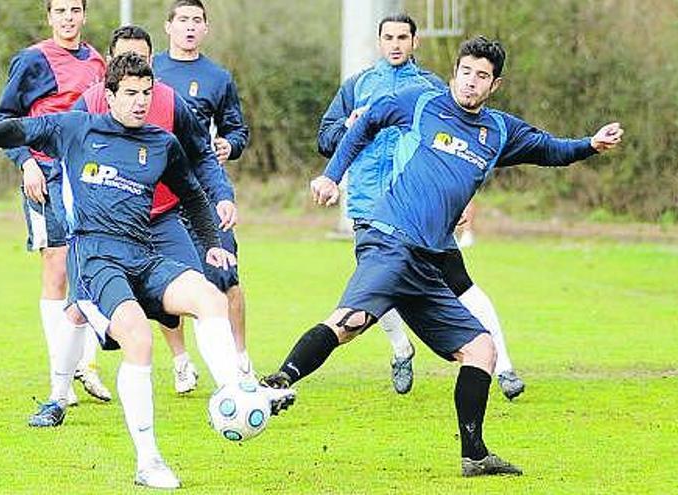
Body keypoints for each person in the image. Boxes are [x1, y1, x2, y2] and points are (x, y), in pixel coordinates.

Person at [0, 53, 295, 489]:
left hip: (142, 254)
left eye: (146, 93)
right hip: (94, 257)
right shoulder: (74, 128)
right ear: (108, 96)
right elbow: (9, 129)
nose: (141, 101)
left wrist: (213, 246)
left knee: (210, 297)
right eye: (131, 94)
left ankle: (234, 392)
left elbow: (194, 196)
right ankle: (148, 462)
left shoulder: (162, 143)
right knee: (138, 339)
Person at [264, 36, 623, 477]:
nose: (472, 83)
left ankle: (474, 455)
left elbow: (550, 149)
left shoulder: (500, 131)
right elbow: (368, 121)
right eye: (467, 72)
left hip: (428, 259)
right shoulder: (422, 102)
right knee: (352, 321)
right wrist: (331, 175)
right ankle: (277, 383)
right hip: (390, 237)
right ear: (455, 72)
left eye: (483, 77)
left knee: (481, 349)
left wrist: (591, 143)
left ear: (495, 85)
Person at [317, 13, 525, 400]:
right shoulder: (357, 85)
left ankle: (505, 365)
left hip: (423, 212)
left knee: (461, 283)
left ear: (416, 43)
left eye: (403, 37)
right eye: (388, 37)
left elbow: (465, 154)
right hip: (369, 204)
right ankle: (401, 349)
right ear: (379, 42)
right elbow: (326, 137)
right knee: (377, 291)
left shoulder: (433, 88)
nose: (395, 44)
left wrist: (465, 198)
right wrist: (348, 125)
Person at [74, 25, 244, 395]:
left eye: (141, 58)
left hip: (164, 216)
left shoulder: (168, 103)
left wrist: (223, 196)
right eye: (123, 58)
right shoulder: (88, 106)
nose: (139, 97)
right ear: (111, 67)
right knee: (80, 303)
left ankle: (229, 381)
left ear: (152, 61)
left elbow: (200, 158)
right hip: (106, 232)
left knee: (200, 289)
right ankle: (64, 387)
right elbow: (58, 156)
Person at [0, 0, 110, 405]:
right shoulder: (32, 60)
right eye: (60, 10)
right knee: (57, 267)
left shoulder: (97, 61)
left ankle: (85, 365)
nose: (68, 17)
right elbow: (6, 118)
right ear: (49, 16)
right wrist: (25, 162)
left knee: (88, 265)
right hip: (44, 175)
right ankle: (59, 370)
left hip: (86, 179)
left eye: (75, 9)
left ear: (84, 13)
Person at [152, 0, 252, 392]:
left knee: (227, 276)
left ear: (206, 29)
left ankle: (241, 359)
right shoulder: (153, 71)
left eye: (197, 21)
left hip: (205, 191)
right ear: (168, 27)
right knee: (166, 281)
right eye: (183, 20)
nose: (190, 27)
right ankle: (181, 361)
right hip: (160, 192)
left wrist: (229, 144)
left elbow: (237, 130)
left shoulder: (217, 77)